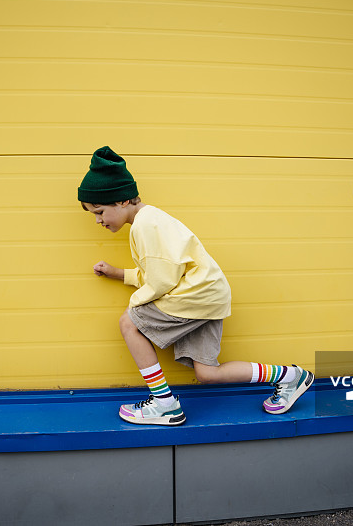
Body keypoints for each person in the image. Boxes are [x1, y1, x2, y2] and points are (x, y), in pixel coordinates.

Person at [78, 146, 313, 426]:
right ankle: (290, 377)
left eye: (100, 211)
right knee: (207, 374)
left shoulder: (145, 226)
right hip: (207, 296)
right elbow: (162, 273)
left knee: (129, 323)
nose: (98, 220)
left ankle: (164, 404)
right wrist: (120, 274)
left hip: (194, 297)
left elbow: (161, 281)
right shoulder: (152, 219)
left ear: (122, 200)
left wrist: (135, 303)